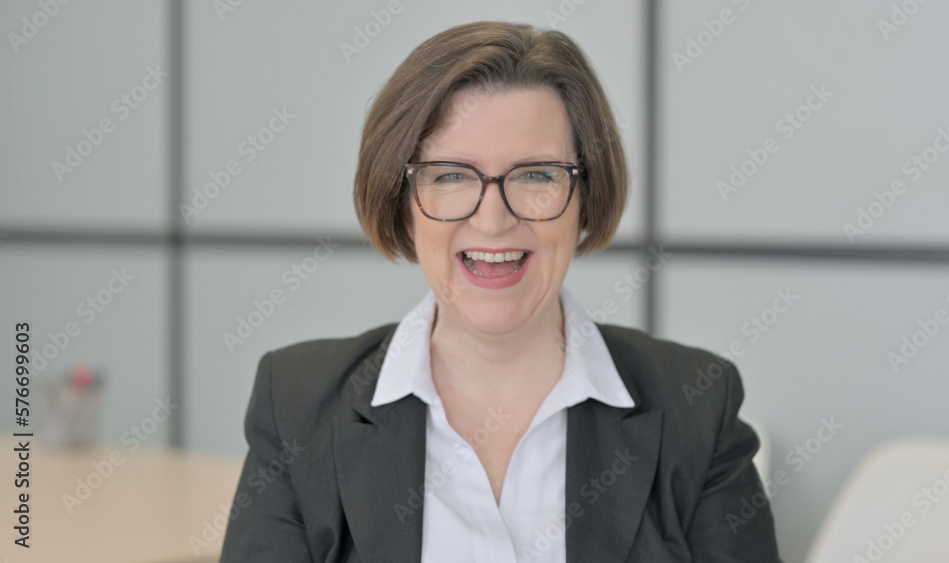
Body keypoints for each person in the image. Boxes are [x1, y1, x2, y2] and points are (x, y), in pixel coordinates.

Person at [220, 21, 781, 563]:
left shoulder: (697, 408)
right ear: (402, 202)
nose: (492, 221)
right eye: (450, 175)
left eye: (536, 175)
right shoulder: (296, 406)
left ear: (586, 198)